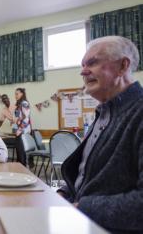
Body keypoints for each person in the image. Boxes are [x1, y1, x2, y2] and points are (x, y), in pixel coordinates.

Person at [58, 36, 143, 233]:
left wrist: (81, 208)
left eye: (93, 62)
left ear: (123, 66)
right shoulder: (104, 112)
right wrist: (62, 194)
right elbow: (86, 176)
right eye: (82, 65)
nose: (83, 71)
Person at [13, 88, 32, 166]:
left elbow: (26, 118)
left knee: (21, 153)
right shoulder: (19, 104)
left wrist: (19, 129)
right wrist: (15, 128)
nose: (15, 96)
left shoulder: (24, 103)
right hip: (18, 131)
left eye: (17, 94)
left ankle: (22, 170)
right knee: (19, 152)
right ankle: (20, 169)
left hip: (22, 131)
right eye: (15, 94)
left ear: (22, 94)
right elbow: (17, 118)